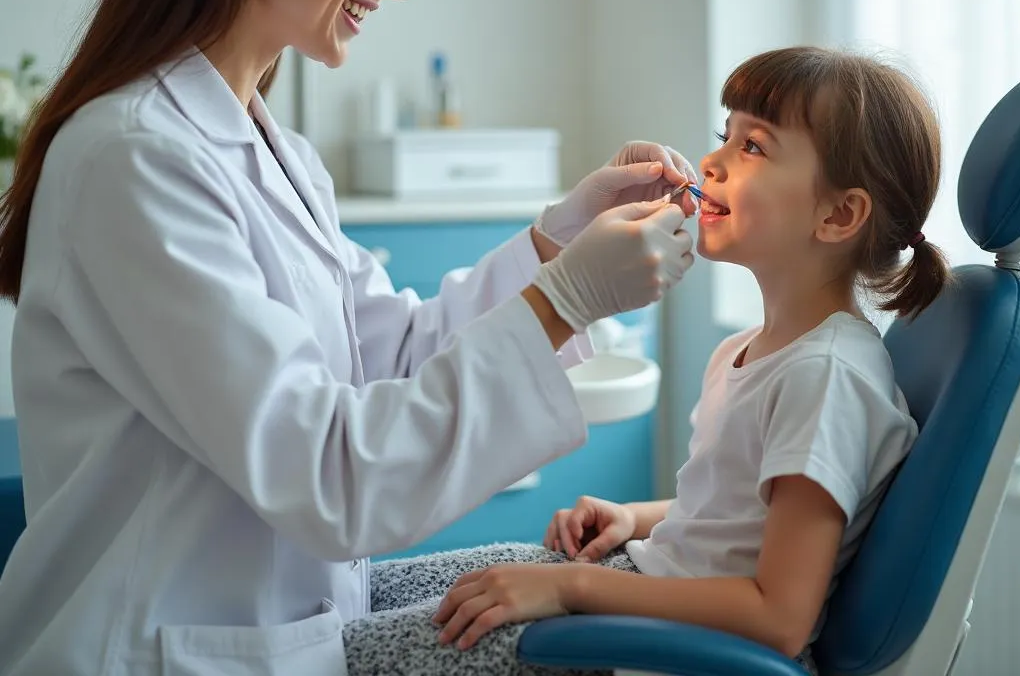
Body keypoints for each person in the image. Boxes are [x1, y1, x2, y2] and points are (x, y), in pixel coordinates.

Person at [0, 0, 698, 676]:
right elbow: (330, 477)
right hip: (151, 651)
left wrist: (555, 241)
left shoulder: (276, 153)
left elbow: (387, 358)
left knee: (556, 586)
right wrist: (565, 300)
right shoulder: (136, 159)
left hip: (268, 627)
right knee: (567, 636)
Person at [334, 47, 948, 676]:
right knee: (361, 596)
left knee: (341, 654)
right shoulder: (746, 352)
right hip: (637, 584)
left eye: (754, 147)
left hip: (659, 649)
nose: (711, 162)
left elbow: (779, 618)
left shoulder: (826, 377)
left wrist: (570, 588)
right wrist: (635, 518)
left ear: (838, 214)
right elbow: (735, 523)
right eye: (724, 136)